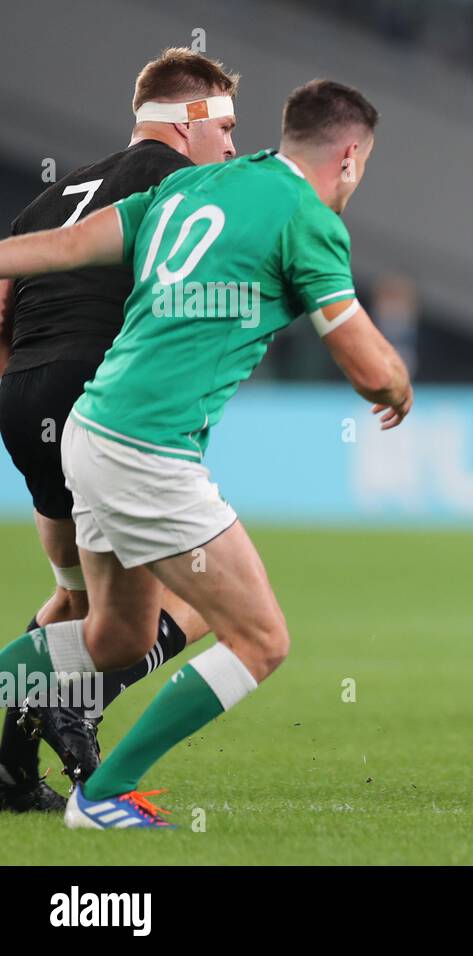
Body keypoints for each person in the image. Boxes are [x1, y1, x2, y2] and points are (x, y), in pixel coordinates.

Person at [0, 79, 413, 829]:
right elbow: (369, 370)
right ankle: (102, 797)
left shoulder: (198, 184)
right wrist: (397, 383)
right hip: (146, 446)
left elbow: (62, 247)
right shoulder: (306, 218)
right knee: (261, 638)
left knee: (114, 636)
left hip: (92, 432)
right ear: (348, 156)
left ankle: (68, 763)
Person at [0, 47, 240, 811]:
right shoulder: (185, 189)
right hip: (99, 402)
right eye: (226, 124)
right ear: (188, 120)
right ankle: (81, 701)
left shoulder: (50, 199)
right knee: (207, 601)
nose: (233, 144)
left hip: (22, 393)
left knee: (73, 601)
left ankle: (9, 762)